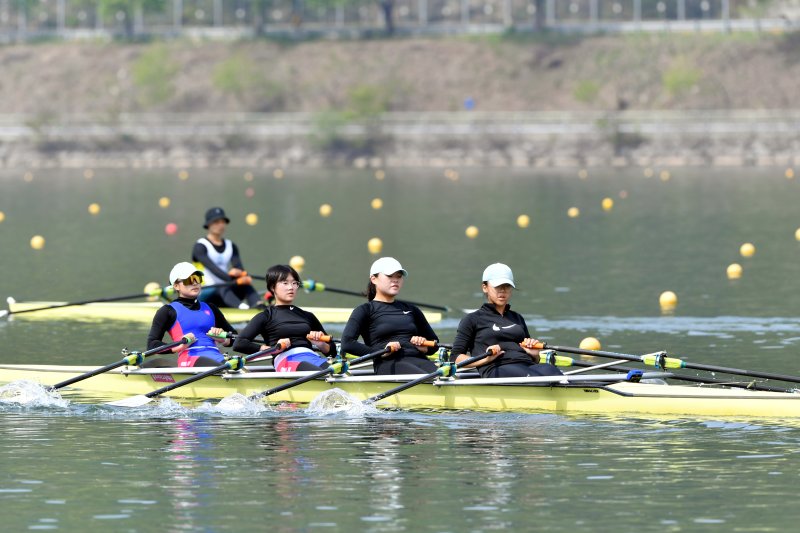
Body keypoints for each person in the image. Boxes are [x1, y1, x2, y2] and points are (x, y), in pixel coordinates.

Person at [450, 263, 562, 378]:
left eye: (507, 286)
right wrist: (485, 358)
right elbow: (455, 358)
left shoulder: (517, 318)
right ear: (485, 287)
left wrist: (535, 355)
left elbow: (534, 359)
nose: (503, 290)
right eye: (498, 286)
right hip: (496, 368)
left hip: (526, 365)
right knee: (534, 376)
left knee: (553, 371)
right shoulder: (472, 319)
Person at [341, 257, 439, 375]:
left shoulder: (412, 309)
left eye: (398, 276)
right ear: (374, 279)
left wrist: (425, 346)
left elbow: (434, 343)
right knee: (432, 380)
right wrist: (380, 352)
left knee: (446, 379)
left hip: (419, 359)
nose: (395, 280)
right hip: (389, 363)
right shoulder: (365, 310)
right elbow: (347, 343)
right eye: (390, 276)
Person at [232, 264, 335, 371]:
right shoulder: (266, 316)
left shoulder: (308, 316)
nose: (291, 287)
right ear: (272, 287)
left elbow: (332, 351)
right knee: (320, 373)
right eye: (285, 283)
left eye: (294, 283)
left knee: (336, 372)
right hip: (286, 360)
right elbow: (239, 343)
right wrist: (271, 349)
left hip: (313, 357)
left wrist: (321, 344)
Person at [146, 262, 236, 367]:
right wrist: (178, 346)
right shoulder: (167, 311)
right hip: (190, 359)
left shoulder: (211, 308)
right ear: (176, 286)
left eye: (197, 279)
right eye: (189, 280)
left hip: (218, 358)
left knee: (237, 367)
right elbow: (152, 345)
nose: (195, 283)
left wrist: (223, 339)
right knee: (227, 368)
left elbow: (235, 338)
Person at [192, 206, 262, 309]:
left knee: (245, 285)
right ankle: (244, 310)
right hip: (204, 293)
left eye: (223, 222)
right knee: (223, 286)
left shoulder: (231, 246)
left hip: (225, 293)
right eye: (216, 222)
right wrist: (234, 279)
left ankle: (259, 306)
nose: (221, 225)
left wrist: (242, 275)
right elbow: (214, 269)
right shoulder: (200, 246)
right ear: (208, 225)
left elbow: (240, 269)